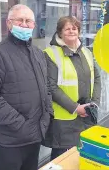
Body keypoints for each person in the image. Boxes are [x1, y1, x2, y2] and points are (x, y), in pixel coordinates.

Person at [0, 4, 53, 170]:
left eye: (28, 21)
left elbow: (46, 87)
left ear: (34, 25)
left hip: (35, 136)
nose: (24, 24)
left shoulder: (38, 53)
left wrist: (48, 114)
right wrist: (20, 124)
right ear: (9, 23)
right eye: (19, 20)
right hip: (10, 141)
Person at [43, 16, 101, 160]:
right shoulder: (50, 54)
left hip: (87, 116)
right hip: (64, 121)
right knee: (61, 160)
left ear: (79, 32)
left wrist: (94, 103)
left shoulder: (87, 52)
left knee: (82, 158)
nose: (71, 31)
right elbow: (51, 86)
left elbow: (97, 78)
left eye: (74, 28)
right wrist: (75, 108)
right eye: (67, 28)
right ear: (60, 33)